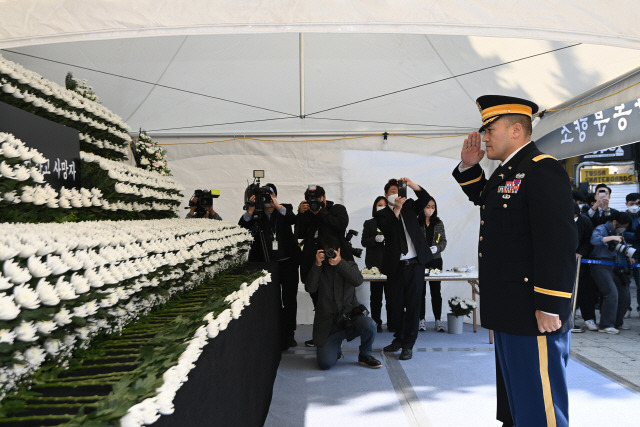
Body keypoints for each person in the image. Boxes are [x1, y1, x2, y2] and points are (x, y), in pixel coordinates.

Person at [452, 95, 577, 427]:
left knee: (540, 405)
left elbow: (558, 242)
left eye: (490, 129)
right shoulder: (510, 171)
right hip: (511, 309)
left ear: (517, 130)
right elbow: (488, 199)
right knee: (517, 402)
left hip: (533, 311)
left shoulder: (542, 169)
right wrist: (468, 167)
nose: (485, 137)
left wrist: (550, 303)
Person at [238, 184, 301, 350]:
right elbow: (241, 228)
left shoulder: (284, 210)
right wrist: (250, 209)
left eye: (270, 195)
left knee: (289, 301)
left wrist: (277, 205)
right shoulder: (256, 214)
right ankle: (270, 333)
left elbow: (294, 220)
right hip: (266, 265)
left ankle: (289, 334)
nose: (266, 199)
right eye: (263, 196)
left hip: (288, 264)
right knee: (270, 301)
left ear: (276, 196)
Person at [304, 236, 381, 370]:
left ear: (338, 251)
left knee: (369, 324)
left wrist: (340, 263)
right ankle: (335, 347)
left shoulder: (349, 264)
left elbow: (358, 280)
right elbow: (310, 288)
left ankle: (365, 355)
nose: (330, 255)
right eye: (326, 252)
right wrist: (316, 265)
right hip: (328, 324)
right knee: (325, 364)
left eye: (332, 251)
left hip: (350, 318)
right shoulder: (319, 268)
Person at [376, 178, 432, 360]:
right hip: (396, 267)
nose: (395, 194)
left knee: (414, 305)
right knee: (396, 305)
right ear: (386, 194)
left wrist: (412, 185)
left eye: (397, 190)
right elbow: (388, 229)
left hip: (415, 265)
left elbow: (426, 199)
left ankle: (408, 344)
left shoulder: (410, 207)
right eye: (391, 191)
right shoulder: (382, 212)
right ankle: (398, 339)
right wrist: (396, 209)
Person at [296, 185, 351, 347]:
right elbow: (299, 233)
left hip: (333, 264)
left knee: (334, 301)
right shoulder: (306, 213)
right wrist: (301, 214)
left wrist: (321, 212)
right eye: (310, 200)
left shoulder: (337, 209)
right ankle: (320, 335)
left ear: (324, 198)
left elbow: (340, 225)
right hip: (313, 264)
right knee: (318, 302)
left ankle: (336, 336)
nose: (314, 203)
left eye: (317, 199)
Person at [589, 211, 633, 334]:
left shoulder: (618, 233)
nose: (624, 229)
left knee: (624, 295)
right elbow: (594, 240)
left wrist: (629, 255)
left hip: (615, 266)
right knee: (611, 293)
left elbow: (623, 248)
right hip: (600, 265)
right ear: (615, 222)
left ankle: (617, 322)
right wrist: (612, 238)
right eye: (623, 226)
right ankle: (605, 325)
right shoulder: (602, 228)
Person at [417, 197, 447, 332]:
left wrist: (437, 248)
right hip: (421, 259)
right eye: (428, 206)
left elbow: (443, 241)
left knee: (436, 291)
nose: (430, 209)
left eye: (433, 207)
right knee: (420, 291)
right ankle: (421, 319)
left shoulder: (439, 223)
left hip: (435, 259)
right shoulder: (417, 222)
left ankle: (438, 320)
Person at [361, 196, 389, 333]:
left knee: (391, 296)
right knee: (376, 297)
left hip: (390, 265)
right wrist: (374, 239)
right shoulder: (369, 223)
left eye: (384, 205)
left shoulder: (393, 222)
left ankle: (393, 322)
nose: (381, 207)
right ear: (375, 207)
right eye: (379, 204)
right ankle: (376, 322)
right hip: (374, 265)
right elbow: (363, 242)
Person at [572, 202, 598, 333]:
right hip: (564, 261)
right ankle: (568, 318)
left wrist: (581, 252)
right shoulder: (559, 220)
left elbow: (589, 240)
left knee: (585, 291)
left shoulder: (585, 221)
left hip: (582, 261)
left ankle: (589, 318)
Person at [622, 192, 640, 315]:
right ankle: (626, 308)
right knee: (625, 283)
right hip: (625, 253)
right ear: (627, 204)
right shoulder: (623, 216)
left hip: (638, 253)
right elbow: (622, 234)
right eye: (631, 204)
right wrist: (637, 236)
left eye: (637, 203)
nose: (634, 206)